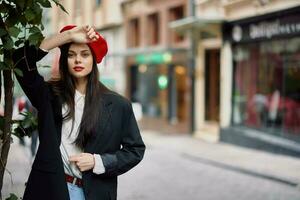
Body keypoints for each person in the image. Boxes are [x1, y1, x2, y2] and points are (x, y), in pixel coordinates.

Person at [12, 25, 145, 200]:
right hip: (50, 189)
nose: (77, 61)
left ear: (94, 59)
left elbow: (135, 150)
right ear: (64, 60)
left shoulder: (118, 105)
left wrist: (99, 162)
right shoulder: (49, 96)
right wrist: (66, 36)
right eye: (71, 55)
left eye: (84, 54)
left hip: (95, 193)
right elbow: (20, 61)